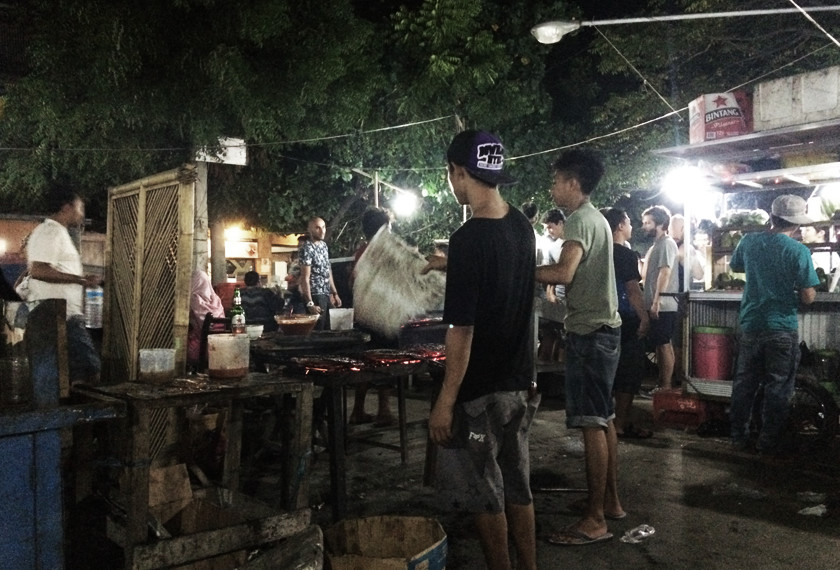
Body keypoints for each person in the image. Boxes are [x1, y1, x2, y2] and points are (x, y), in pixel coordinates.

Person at [426, 130, 539, 570]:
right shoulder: (521, 227)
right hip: (518, 384)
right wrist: (530, 375)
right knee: (518, 485)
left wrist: (445, 400)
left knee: (485, 492)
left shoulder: (468, 238)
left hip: (481, 391)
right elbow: (524, 302)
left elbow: (461, 329)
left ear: (458, 172)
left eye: (451, 175)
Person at [535, 148, 624, 546]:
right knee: (603, 419)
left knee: (591, 423)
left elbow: (563, 272)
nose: (553, 188)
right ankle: (610, 503)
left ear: (573, 183)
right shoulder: (597, 219)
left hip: (590, 333)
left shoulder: (578, 221)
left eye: (556, 181)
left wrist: (517, 270)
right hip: (604, 330)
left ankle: (594, 520)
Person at [729, 195, 820, 456]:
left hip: (750, 324)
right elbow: (808, 296)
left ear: (772, 217)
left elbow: (737, 266)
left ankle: (738, 438)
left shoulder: (749, 241)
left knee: (744, 384)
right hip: (781, 327)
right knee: (778, 386)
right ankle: (767, 442)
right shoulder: (798, 250)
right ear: (796, 223)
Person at [26, 186, 102, 384]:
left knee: (74, 372)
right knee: (89, 368)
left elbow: (50, 268)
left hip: (64, 315)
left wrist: (81, 277)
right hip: (62, 315)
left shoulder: (56, 232)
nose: (81, 213)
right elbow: (38, 270)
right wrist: (80, 280)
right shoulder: (50, 232)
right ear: (67, 207)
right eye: (80, 208)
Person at [602, 207, 651, 439]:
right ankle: (619, 423)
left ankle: (607, 422)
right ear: (620, 225)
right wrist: (644, 317)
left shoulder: (597, 252)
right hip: (626, 319)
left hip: (602, 318)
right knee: (629, 372)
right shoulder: (625, 254)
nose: (632, 226)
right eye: (629, 221)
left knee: (607, 372)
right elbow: (633, 290)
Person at [349, 207, 395, 427]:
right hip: (382, 316)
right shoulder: (386, 252)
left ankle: (358, 410)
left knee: (364, 364)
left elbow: (352, 281)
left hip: (363, 317)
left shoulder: (361, 251)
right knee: (385, 363)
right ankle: (384, 410)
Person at [641, 205, 680, 392]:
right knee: (660, 344)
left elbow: (665, 272)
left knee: (664, 345)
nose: (644, 226)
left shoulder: (666, 244)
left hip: (663, 305)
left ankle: (665, 386)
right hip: (657, 303)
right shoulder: (657, 245)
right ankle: (661, 384)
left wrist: (657, 301)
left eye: (648, 223)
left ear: (661, 224)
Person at [298, 217, 341, 330]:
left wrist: (334, 293)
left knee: (329, 329)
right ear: (310, 230)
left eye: (323, 227)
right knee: (318, 331)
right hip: (315, 294)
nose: (322, 231)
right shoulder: (307, 248)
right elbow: (305, 278)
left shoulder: (323, 246)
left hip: (326, 293)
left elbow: (328, 270)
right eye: (317, 228)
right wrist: (310, 303)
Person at [187, 269, 226, 367]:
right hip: (220, 346)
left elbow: (198, 326)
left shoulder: (195, 299)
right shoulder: (216, 299)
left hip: (200, 349)